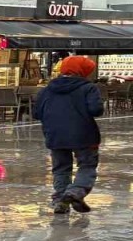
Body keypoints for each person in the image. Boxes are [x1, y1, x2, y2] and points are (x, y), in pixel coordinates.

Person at [34, 56, 103, 214]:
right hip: (84, 134)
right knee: (87, 165)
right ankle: (75, 192)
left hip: (55, 135)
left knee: (60, 168)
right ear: (83, 71)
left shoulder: (47, 89)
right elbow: (96, 110)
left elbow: (37, 113)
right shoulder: (88, 88)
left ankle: (60, 201)